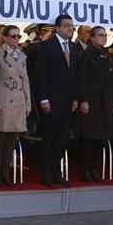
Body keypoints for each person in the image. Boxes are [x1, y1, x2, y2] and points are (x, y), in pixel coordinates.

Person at [30, 14, 80, 186]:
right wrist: (43, 99)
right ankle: (46, 173)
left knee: (62, 138)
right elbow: (41, 74)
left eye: (71, 25)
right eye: (66, 25)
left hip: (67, 100)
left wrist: (75, 97)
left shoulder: (73, 47)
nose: (70, 28)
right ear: (57, 28)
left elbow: (74, 75)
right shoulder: (46, 46)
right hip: (51, 99)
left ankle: (56, 170)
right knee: (50, 136)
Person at [0, 24, 31, 186]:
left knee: (11, 140)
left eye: (18, 36)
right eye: (13, 36)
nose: (16, 39)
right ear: (4, 38)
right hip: (3, 101)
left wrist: (27, 104)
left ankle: (5, 172)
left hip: (18, 102)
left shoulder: (22, 57)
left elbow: (25, 81)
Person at [74, 26, 113, 182]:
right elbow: (81, 80)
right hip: (91, 101)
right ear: (91, 38)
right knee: (89, 137)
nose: (104, 37)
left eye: (105, 35)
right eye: (100, 35)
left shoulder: (106, 54)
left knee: (100, 137)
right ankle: (86, 167)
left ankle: (94, 167)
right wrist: (83, 100)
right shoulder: (86, 54)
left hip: (105, 101)